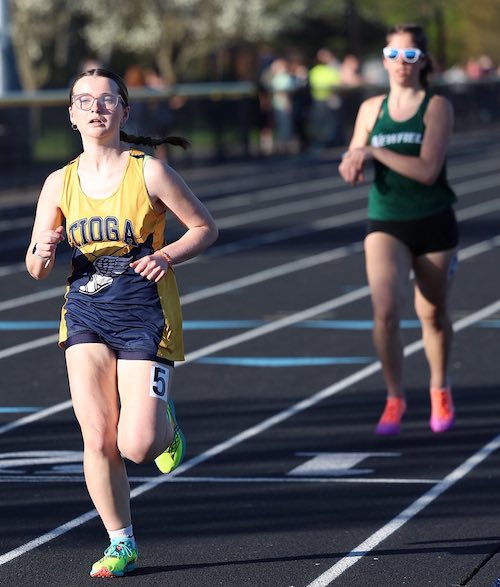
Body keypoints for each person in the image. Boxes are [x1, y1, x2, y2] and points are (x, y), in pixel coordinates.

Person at [25, 68, 218, 577]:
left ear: (124, 111)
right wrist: (43, 249)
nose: (96, 108)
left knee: (137, 445)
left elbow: (204, 227)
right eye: (84, 101)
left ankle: (164, 421)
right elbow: (36, 268)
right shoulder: (59, 183)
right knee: (97, 437)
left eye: (107, 100)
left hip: (143, 311)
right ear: (71, 115)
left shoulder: (149, 172)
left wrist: (168, 255)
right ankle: (120, 542)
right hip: (85, 311)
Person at [338, 24, 458, 436]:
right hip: (387, 219)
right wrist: (352, 161)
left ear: (422, 62)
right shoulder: (371, 108)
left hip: (433, 219)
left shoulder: (436, 107)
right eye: (393, 55)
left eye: (410, 56)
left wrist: (375, 150)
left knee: (433, 313)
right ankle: (394, 397)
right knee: (386, 311)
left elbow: (427, 170)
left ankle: (439, 387)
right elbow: (352, 155)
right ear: (384, 60)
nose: (401, 63)